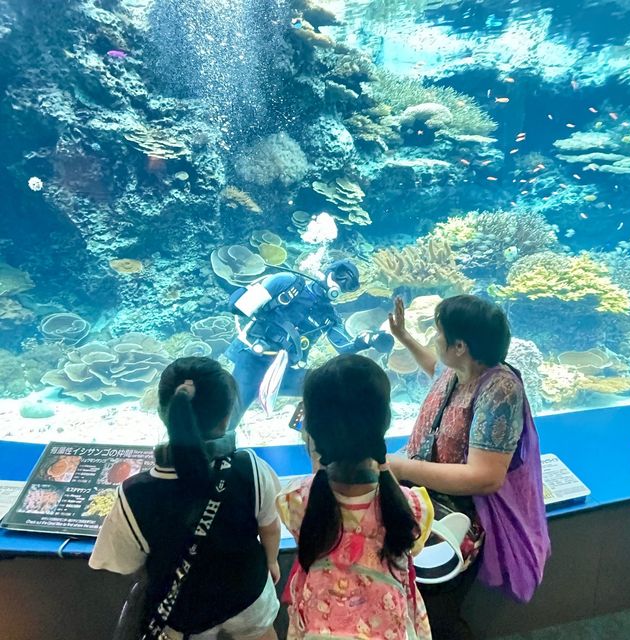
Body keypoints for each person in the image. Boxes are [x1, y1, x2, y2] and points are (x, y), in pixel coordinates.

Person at [387, 295, 550, 640]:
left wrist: (402, 468)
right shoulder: (462, 369)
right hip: (427, 503)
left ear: (459, 345)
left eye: (438, 332)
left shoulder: (500, 391)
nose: (434, 337)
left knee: (438, 612)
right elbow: (438, 375)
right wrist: (404, 338)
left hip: (458, 519)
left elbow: (485, 477)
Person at [89, 356, 282, 640]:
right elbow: (270, 525)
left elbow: (124, 562)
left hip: (182, 611)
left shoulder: (134, 494)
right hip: (248, 593)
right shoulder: (250, 468)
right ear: (227, 416)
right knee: (260, 631)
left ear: (163, 413)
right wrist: (272, 561)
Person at [277, 354, 435, 639]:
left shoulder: (294, 501)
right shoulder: (413, 506)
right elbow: (414, 550)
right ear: (384, 422)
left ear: (312, 429)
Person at [225, 259, 394, 429]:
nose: (341, 284)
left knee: (329, 387)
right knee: (230, 417)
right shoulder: (287, 283)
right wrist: (245, 296)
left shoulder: (330, 318)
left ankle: (311, 432)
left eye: (349, 284)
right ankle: (218, 445)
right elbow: (240, 307)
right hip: (253, 359)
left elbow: (343, 349)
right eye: (340, 276)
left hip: (285, 371)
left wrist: (367, 341)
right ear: (329, 272)